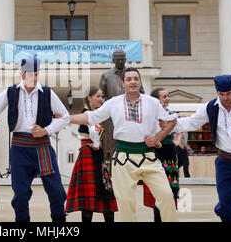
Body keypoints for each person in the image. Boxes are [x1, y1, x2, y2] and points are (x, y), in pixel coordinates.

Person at [0, 55, 70, 222]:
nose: (34, 77)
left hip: (42, 146)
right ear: (22, 74)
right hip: (19, 147)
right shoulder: (10, 92)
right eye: (30, 74)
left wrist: (46, 130)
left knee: (56, 191)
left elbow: (64, 117)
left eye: (36, 74)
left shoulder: (47, 92)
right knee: (21, 195)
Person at [70, 68, 179, 222]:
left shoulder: (153, 102)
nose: (133, 81)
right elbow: (91, 117)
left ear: (140, 82)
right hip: (123, 159)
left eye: (136, 78)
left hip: (148, 156)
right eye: (129, 79)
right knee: (126, 203)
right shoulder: (114, 103)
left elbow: (172, 119)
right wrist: (67, 119)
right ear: (123, 83)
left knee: (166, 196)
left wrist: (157, 138)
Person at [175, 74, 231, 222]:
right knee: (225, 205)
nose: (225, 98)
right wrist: (168, 123)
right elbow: (191, 123)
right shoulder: (210, 107)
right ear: (216, 91)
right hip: (225, 161)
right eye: (221, 94)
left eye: (228, 93)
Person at [66, 86, 118, 222]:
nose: (101, 99)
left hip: (88, 155)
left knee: (90, 198)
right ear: (89, 98)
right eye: (98, 96)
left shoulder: (91, 113)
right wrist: (96, 144)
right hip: (90, 153)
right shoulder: (88, 114)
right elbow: (94, 130)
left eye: (101, 96)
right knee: (102, 194)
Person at [142, 88, 180, 222]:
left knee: (168, 191)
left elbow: (174, 124)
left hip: (169, 151)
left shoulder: (165, 112)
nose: (167, 98)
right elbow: (170, 122)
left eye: (168, 96)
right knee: (160, 190)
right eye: (164, 96)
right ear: (156, 100)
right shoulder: (155, 113)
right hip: (159, 152)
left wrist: (175, 138)